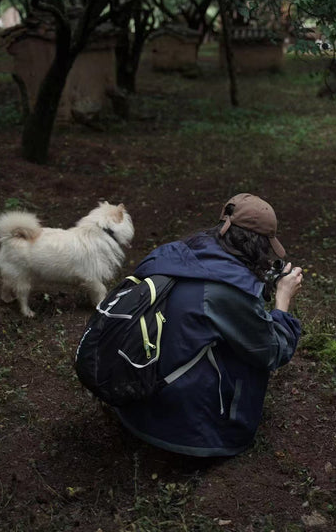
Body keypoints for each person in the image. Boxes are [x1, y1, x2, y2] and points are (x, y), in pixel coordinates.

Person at [115, 193, 303, 457]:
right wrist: (282, 299)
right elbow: (271, 351)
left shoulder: (175, 254)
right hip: (189, 434)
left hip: (133, 403)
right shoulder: (228, 291)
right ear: (260, 245)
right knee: (248, 353)